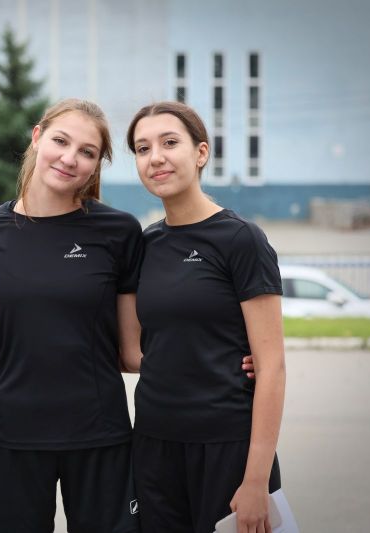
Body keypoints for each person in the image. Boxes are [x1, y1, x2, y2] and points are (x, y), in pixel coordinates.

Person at [0, 98, 145, 533]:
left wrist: (219, 359)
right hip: (14, 435)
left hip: (100, 435)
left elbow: (133, 352)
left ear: (96, 165)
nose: (70, 158)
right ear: (37, 137)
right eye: (61, 141)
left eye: (87, 152)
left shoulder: (119, 232)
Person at [126, 101, 285, 533]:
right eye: (142, 148)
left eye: (169, 143)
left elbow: (271, 367)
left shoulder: (241, 240)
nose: (155, 157)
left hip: (227, 447)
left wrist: (256, 480)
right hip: (155, 445)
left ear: (200, 153)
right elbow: (137, 349)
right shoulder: (146, 244)